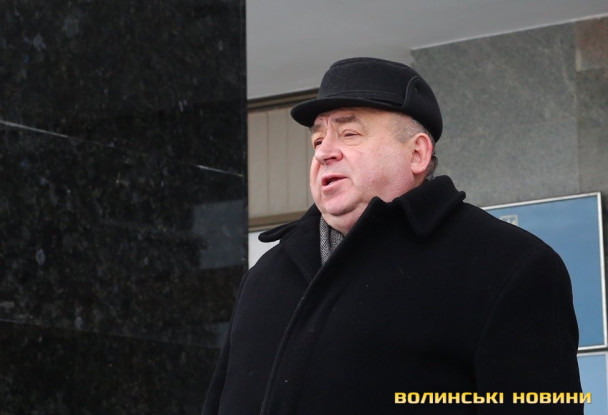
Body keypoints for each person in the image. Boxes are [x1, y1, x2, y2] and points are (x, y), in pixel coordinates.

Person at [202, 57, 583, 414]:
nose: (324, 153)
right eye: (317, 141)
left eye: (349, 133)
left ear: (417, 154)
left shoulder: (507, 266)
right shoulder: (266, 276)